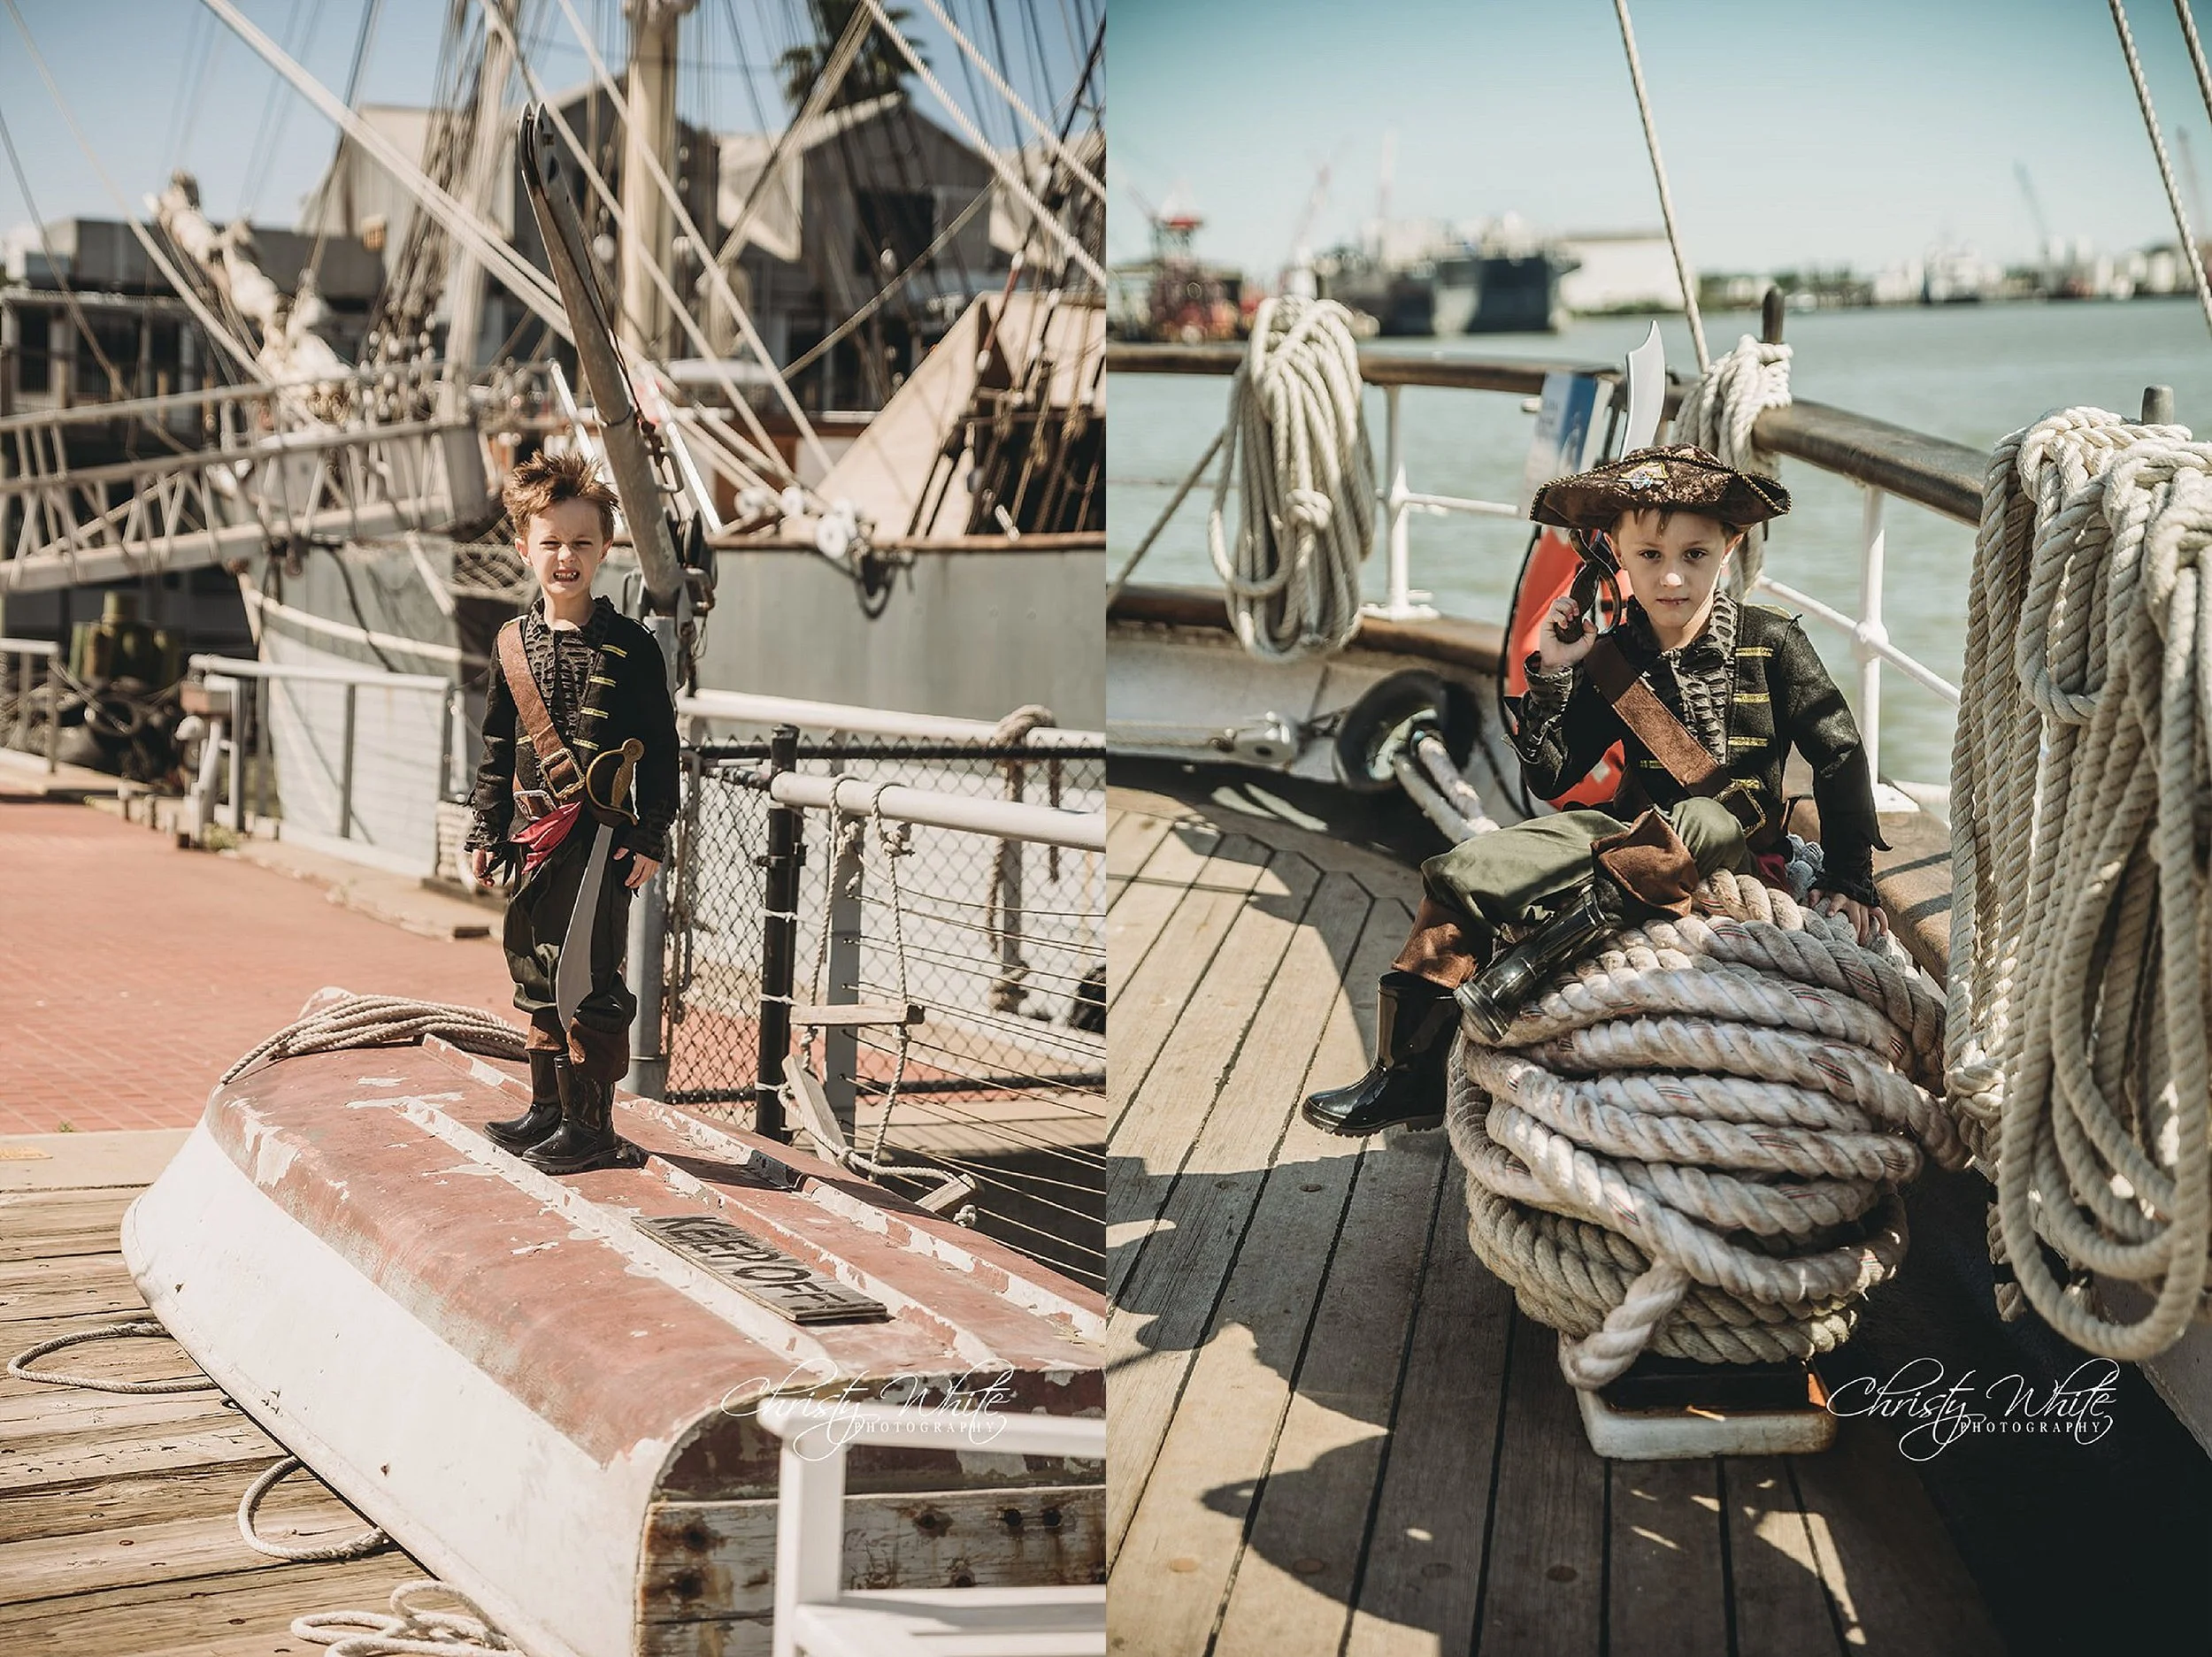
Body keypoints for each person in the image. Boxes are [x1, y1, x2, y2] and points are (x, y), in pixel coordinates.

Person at [1303, 444, 1890, 1138]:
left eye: (1695, 554)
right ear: (1616, 551)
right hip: (1630, 841)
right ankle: (1405, 1071)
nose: (1671, 576)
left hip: (1732, 851)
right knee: (1466, 868)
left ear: (1729, 548)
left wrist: (1851, 877)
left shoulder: (1772, 642)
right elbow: (1553, 776)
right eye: (1650, 555)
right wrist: (1556, 672)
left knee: (1705, 817)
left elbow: (1839, 753)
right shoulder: (1614, 656)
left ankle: (1534, 961)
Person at [463, 449, 680, 1173]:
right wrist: (486, 828)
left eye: (581, 542)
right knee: (537, 969)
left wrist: (651, 834)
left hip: (601, 845)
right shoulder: (510, 645)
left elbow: (662, 748)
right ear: (523, 547)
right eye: (551, 541)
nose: (566, 556)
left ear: (605, 548)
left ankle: (591, 1128)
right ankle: (548, 1109)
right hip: (534, 839)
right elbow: (497, 748)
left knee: (592, 981)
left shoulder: (634, 647)